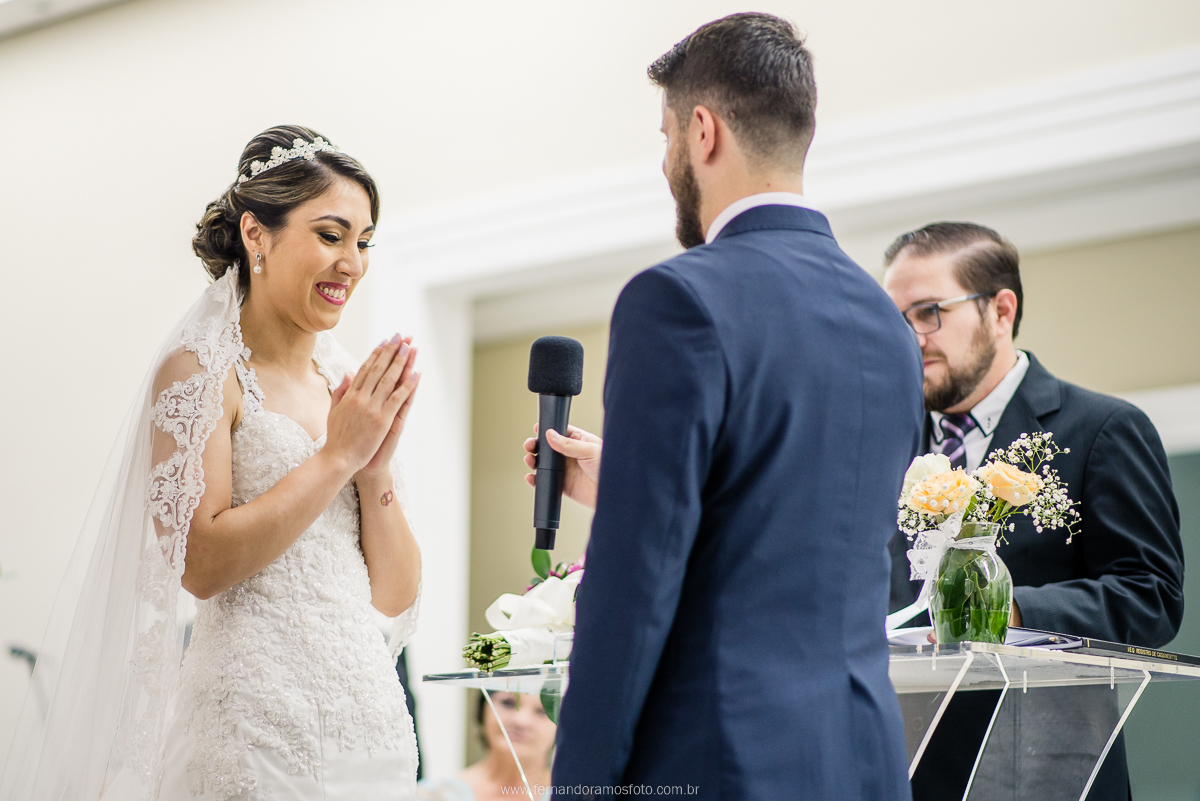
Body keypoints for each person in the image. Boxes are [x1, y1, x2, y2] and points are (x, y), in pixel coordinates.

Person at [522, 14, 924, 799]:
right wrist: (627, 478)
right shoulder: (887, 324)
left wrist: (578, 786)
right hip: (865, 762)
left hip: (719, 758)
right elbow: (801, 526)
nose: (667, 159)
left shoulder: (675, 298)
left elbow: (630, 592)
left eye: (666, 134)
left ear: (702, 132)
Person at [1, 125, 424, 800]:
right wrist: (338, 454)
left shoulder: (343, 382)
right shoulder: (200, 372)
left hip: (368, 730)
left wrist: (371, 471)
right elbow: (199, 563)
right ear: (256, 234)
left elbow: (394, 594)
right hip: (253, 729)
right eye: (331, 234)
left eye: (364, 241)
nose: (353, 262)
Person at [881, 221, 1184, 801]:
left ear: (1001, 309)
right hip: (904, 771)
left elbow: (1150, 594)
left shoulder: (1103, 430)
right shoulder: (883, 448)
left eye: (928, 313)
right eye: (895, 319)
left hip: (1046, 768)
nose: (909, 336)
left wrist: (1009, 612)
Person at [417, 692, 555, 801]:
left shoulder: (571, 794)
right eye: (508, 703)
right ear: (482, 709)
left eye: (543, 711)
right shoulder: (431, 795)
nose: (521, 721)